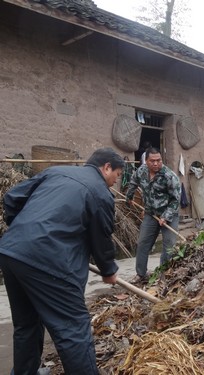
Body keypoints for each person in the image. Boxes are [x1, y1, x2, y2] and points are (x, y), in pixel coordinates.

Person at [0, 148, 124, 375]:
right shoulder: (100, 192)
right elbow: (102, 237)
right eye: (117, 175)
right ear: (106, 167)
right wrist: (108, 270)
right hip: (49, 262)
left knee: (26, 324)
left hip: (11, 252)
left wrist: (24, 235)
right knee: (73, 328)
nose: (115, 182)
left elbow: (12, 198)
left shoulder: (55, 173)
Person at [126, 147, 181, 283]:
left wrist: (166, 216)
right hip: (150, 214)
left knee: (169, 246)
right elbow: (133, 182)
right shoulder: (141, 171)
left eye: (159, 160)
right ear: (146, 161)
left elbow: (176, 200)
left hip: (169, 215)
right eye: (152, 161)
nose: (156, 163)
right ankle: (140, 274)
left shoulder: (169, 176)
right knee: (143, 243)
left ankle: (164, 274)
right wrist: (129, 197)